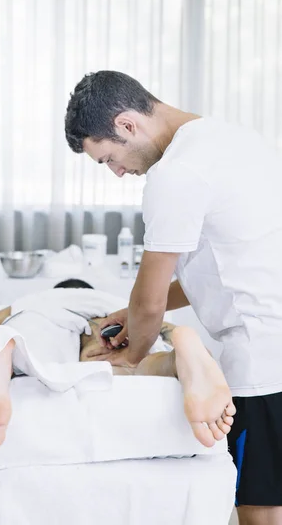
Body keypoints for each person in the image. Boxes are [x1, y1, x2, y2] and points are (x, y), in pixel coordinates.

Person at [65, 70, 282, 525]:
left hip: (262, 362)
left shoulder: (175, 173)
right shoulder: (233, 139)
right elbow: (221, 271)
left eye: (108, 159)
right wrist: (130, 315)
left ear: (127, 125)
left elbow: (149, 302)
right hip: (272, 338)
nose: (118, 172)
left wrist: (129, 356)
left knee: (258, 509)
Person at [0, 281, 232, 453]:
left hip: (36, 322)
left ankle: (5, 349)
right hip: (112, 336)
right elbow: (150, 320)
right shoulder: (108, 305)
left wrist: (1, 317)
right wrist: (169, 333)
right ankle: (173, 358)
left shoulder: (38, 303)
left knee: (12, 343)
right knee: (135, 366)